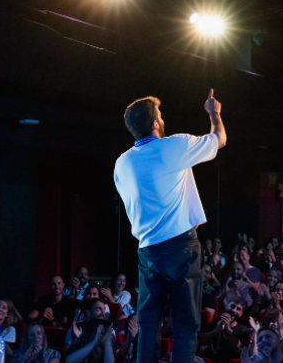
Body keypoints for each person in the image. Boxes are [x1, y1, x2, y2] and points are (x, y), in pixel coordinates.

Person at [113, 92, 226, 363]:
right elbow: (219, 139)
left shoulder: (122, 163)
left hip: (148, 251)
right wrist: (214, 112)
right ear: (154, 124)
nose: (163, 120)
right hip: (181, 247)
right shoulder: (172, 146)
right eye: (160, 116)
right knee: (185, 324)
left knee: (149, 323)